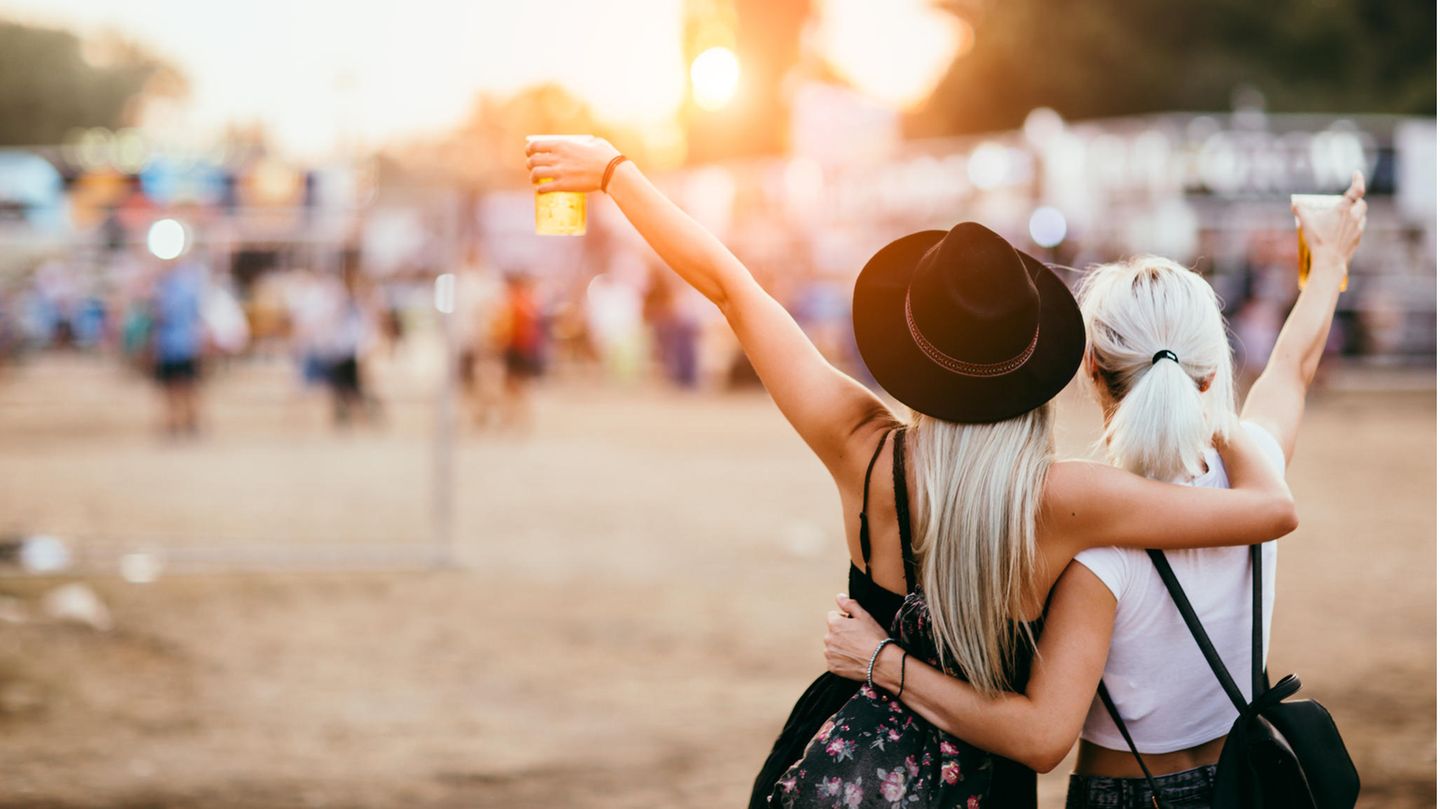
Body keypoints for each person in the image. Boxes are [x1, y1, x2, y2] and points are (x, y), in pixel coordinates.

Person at [525, 138, 1298, 809]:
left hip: (845, 756)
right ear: (1037, 365)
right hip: (983, 780)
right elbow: (1267, 511)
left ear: (909, 348)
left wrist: (615, 171)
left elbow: (732, 286)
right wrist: (1207, 395)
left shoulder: (858, 443)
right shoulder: (1068, 498)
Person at [821, 174, 1368, 809]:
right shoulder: (1251, 473)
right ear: (1210, 371)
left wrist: (885, 661)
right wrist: (1329, 260)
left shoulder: (1094, 543)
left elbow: (1040, 734)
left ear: (1090, 368)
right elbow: (1291, 370)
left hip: (1130, 794)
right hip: (1248, 782)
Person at [150, 256, 208, 436]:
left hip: (179, 344)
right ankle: (182, 423)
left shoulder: (170, 289)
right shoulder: (180, 287)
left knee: (181, 387)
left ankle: (184, 423)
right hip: (177, 344)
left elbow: (161, 316)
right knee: (181, 387)